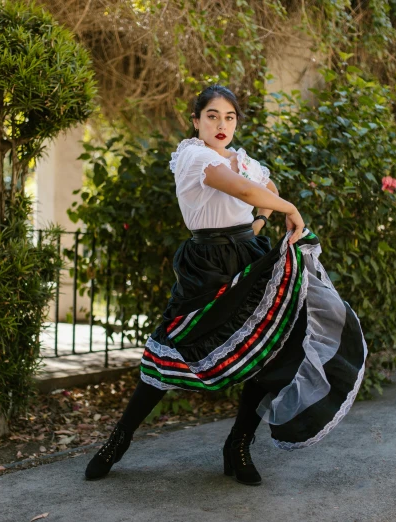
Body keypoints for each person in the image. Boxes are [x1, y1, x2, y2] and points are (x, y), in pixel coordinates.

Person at [85, 85, 367, 485]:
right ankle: (118, 440)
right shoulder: (194, 156)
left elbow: (264, 192)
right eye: (212, 116)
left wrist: (260, 222)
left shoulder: (242, 160)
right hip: (206, 263)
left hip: (247, 254)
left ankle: (238, 445)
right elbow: (244, 191)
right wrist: (289, 210)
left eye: (229, 117)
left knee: (267, 350)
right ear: (196, 120)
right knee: (175, 347)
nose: (221, 124)